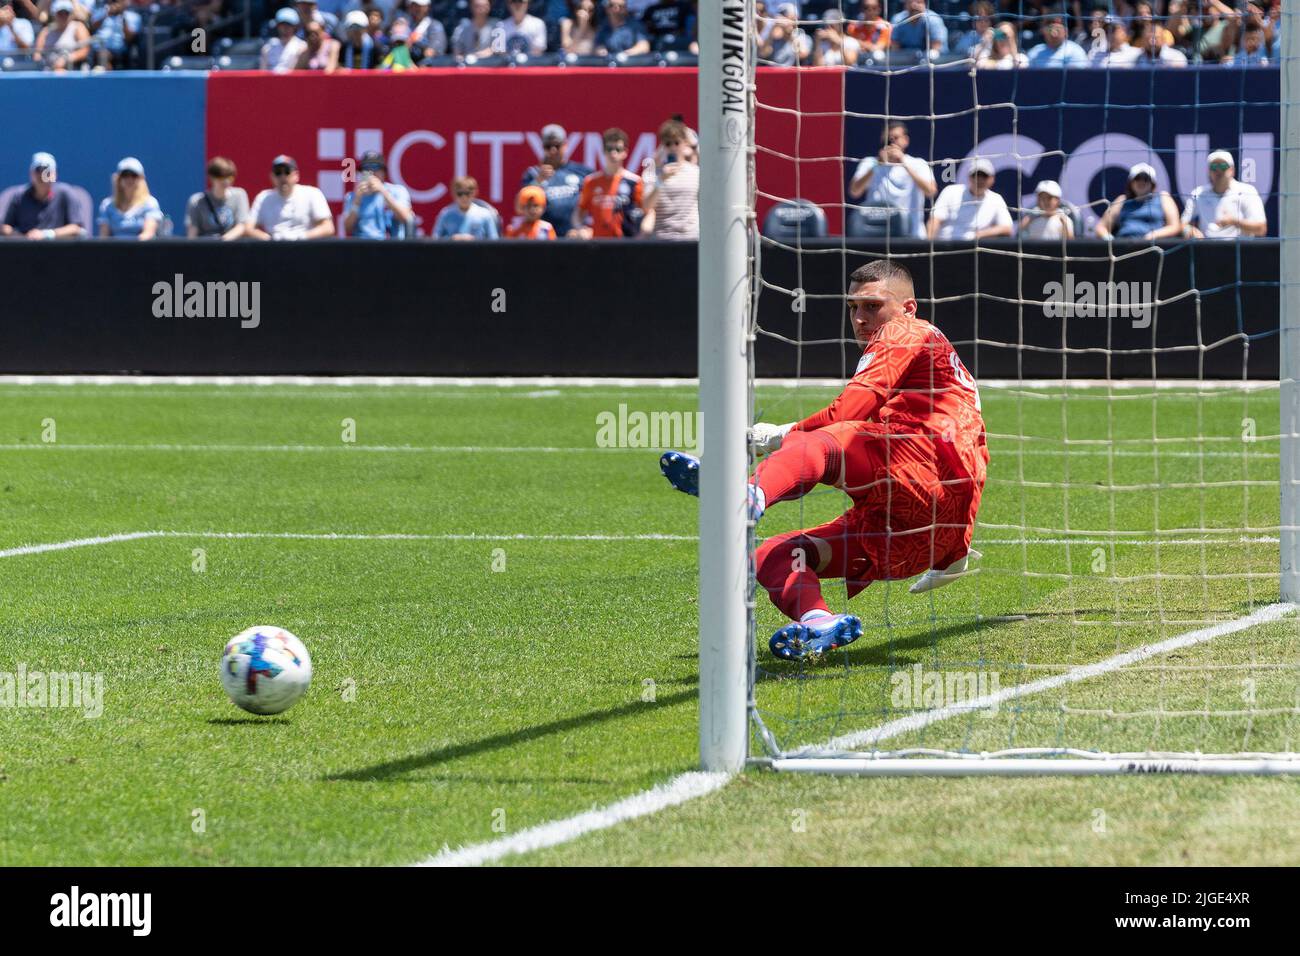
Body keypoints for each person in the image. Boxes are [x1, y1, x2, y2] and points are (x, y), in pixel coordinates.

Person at [660, 260, 988, 660]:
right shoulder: (931, 371)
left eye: (872, 306)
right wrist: (952, 557)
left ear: (909, 308)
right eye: (853, 308)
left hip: (920, 468)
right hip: (923, 534)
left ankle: (745, 496)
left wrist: (781, 435)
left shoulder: (905, 331)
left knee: (825, 442)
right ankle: (818, 623)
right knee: (775, 554)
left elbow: (846, 413)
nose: (860, 318)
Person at [849, 121, 937, 239]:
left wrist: (904, 164)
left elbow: (931, 191)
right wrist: (877, 165)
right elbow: (854, 191)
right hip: (877, 234)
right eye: (888, 139)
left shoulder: (918, 164)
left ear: (905, 140)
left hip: (912, 235)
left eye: (895, 138)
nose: (892, 143)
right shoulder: (870, 163)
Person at [519, 123, 592, 238]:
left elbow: (596, 203)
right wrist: (538, 181)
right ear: (542, 147)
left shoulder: (582, 172)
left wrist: (586, 229)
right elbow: (520, 206)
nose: (553, 150)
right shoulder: (533, 174)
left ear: (566, 145)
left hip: (575, 237)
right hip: (544, 238)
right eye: (548, 146)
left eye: (557, 146)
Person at [573, 127, 643, 238]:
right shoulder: (591, 181)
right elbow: (578, 213)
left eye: (618, 149)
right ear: (603, 151)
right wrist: (580, 228)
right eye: (609, 149)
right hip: (599, 244)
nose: (613, 153)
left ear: (625, 152)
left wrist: (642, 233)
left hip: (627, 244)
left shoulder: (634, 181)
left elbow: (646, 211)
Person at [0, 151, 88, 240]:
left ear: (55, 174)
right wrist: (24, 239)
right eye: (38, 170)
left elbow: (76, 228)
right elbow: (6, 227)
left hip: (59, 252)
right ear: (31, 173)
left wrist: (46, 235)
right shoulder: (19, 195)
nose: (42, 175)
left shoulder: (65, 193)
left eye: (47, 171)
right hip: (26, 252)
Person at [1181, 150, 1267, 239]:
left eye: (1223, 166)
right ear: (1209, 171)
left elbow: (1261, 229)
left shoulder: (1247, 191)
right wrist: (1189, 230)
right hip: (1206, 248)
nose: (1218, 170)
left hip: (1240, 248)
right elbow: (1183, 223)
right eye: (1214, 167)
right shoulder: (1198, 193)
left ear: (1232, 170)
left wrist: (1234, 222)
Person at [247, 154, 335, 240]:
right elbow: (248, 228)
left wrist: (302, 237)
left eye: (287, 172)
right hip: (272, 250)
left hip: (306, 248)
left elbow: (328, 227)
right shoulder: (263, 198)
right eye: (278, 173)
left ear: (296, 175)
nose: (283, 177)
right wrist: (269, 240)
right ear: (272, 177)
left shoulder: (312, 193)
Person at [640, 117, 699, 239]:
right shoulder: (652, 173)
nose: (672, 147)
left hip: (691, 239)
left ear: (684, 143)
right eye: (668, 143)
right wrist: (661, 180)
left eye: (676, 142)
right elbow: (646, 206)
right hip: (663, 239)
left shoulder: (696, 172)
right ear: (662, 146)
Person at [927, 158, 1012, 240]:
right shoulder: (951, 192)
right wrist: (929, 246)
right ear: (969, 177)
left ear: (992, 179)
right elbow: (935, 220)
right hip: (946, 246)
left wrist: (980, 234)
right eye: (976, 175)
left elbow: (1007, 228)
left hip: (976, 250)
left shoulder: (996, 199)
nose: (979, 180)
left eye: (984, 176)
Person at [1094, 162, 1181, 240]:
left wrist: (1153, 235)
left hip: (1153, 248)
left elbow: (1175, 226)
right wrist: (1109, 240)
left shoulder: (1163, 197)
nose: (1141, 182)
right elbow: (1101, 227)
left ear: (1153, 183)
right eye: (1137, 178)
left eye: (1146, 178)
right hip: (1123, 249)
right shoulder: (1122, 200)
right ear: (1131, 183)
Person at [341, 150, 414, 239]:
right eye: (366, 169)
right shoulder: (352, 196)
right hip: (362, 248)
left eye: (375, 168)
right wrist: (357, 201)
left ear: (384, 172)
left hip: (393, 248)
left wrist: (383, 193)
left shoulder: (398, 191)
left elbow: (406, 218)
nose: (371, 173)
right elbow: (347, 228)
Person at [97, 157, 163, 240]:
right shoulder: (107, 205)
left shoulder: (150, 203)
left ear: (141, 179)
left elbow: (148, 234)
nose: (129, 179)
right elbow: (104, 237)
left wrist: (132, 251)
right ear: (118, 179)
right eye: (125, 175)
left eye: (134, 175)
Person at [185, 156, 249, 239]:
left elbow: (242, 226)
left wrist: (222, 242)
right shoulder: (196, 201)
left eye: (229, 177)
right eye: (222, 177)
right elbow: (192, 233)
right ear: (212, 177)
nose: (226, 181)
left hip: (232, 248)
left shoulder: (239, 195)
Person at [432, 176, 500, 239]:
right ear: (453, 194)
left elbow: (493, 240)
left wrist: (475, 240)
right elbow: (435, 238)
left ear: (474, 193)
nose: (464, 197)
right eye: (460, 194)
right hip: (451, 251)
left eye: (467, 193)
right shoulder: (445, 214)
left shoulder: (485, 214)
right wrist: (451, 239)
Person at [34, 0, 90, 71]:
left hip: (73, 70)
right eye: (60, 13)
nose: (63, 16)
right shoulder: (46, 31)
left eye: (66, 13)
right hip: (48, 71)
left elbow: (85, 50)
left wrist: (67, 59)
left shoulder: (78, 27)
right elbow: (37, 54)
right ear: (54, 14)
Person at [261, 7, 306, 71]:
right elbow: (262, 72)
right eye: (282, 24)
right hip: (271, 80)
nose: (285, 27)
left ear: (295, 26)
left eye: (289, 24)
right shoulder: (268, 47)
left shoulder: (302, 47)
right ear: (277, 26)